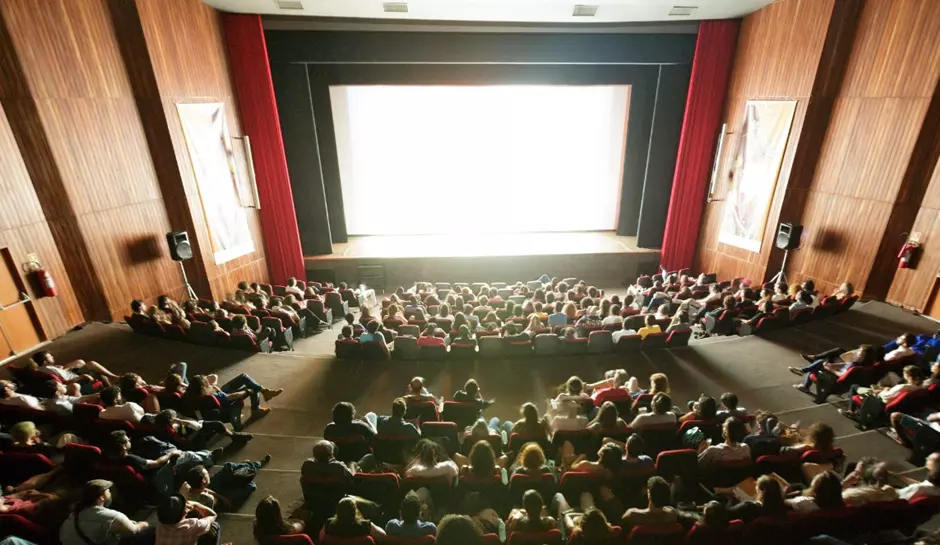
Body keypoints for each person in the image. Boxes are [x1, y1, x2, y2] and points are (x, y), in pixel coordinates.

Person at [59, 479, 153, 545]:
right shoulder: (114, 517)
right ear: (102, 497)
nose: (110, 493)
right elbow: (134, 530)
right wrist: (143, 524)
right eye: (108, 491)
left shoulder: (74, 514)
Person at [186, 373, 280, 430]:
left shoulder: (189, 394)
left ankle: (264, 392)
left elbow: (214, 377)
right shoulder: (211, 397)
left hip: (218, 399)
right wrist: (246, 391)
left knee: (244, 377)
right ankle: (256, 409)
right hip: (225, 404)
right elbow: (231, 397)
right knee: (251, 388)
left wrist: (213, 386)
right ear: (203, 387)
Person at [791, 344, 877, 394]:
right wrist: (832, 365)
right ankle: (804, 376)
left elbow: (843, 375)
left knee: (819, 364)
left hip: (836, 380)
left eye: (860, 352)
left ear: (864, 356)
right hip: (838, 374)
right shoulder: (859, 363)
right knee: (819, 364)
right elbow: (844, 365)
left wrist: (830, 369)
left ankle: (803, 373)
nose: (857, 352)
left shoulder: (856, 366)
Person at [32, 351, 119, 392]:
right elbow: (65, 382)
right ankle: (112, 384)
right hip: (77, 379)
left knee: (80, 362)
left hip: (71, 375)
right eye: (50, 356)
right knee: (93, 366)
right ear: (44, 362)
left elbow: (61, 373)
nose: (52, 356)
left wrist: (61, 368)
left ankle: (111, 384)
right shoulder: (51, 369)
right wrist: (81, 377)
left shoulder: (41, 369)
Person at [319, 496, 386, 542]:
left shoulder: (329, 524)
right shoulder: (365, 525)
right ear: (355, 511)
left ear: (337, 511)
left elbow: (321, 539)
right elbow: (383, 536)